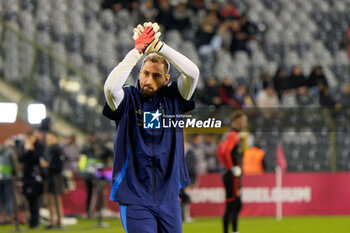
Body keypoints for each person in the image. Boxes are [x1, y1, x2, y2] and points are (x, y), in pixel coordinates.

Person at [102, 22, 199, 233]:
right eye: (145, 73)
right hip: (134, 194)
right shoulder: (127, 98)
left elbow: (193, 73)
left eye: (156, 76)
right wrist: (138, 51)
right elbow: (110, 88)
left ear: (166, 79)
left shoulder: (175, 97)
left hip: (168, 195)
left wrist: (158, 45)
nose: (148, 80)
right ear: (139, 74)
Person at [217, 111, 247, 233]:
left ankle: (234, 230)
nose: (245, 123)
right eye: (243, 120)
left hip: (231, 173)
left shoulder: (229, 134)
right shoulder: (233, 135)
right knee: (232, 204)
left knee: (237, 203)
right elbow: (224, 151)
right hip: (231, 174)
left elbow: (220, 151)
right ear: (237, 121)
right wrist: (231, 168)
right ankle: (229, 231)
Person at [45, 132, 65, 228]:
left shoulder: (57, 150)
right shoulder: (49, 150)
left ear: (55, 138)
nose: (48, 140)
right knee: (50, 200)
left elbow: (60, 166)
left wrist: (48, 166)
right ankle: (52, 220)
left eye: (50, 138)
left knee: (55, 200)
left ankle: (58, 221)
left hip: (55, 178)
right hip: (50, 177)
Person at [0, 139, 19, 225]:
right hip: (8, 177)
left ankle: (1, 217)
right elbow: (14, 166)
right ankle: (8, 216)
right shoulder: (10, 152)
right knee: (9, 198)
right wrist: (16, 175)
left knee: (0, 198)